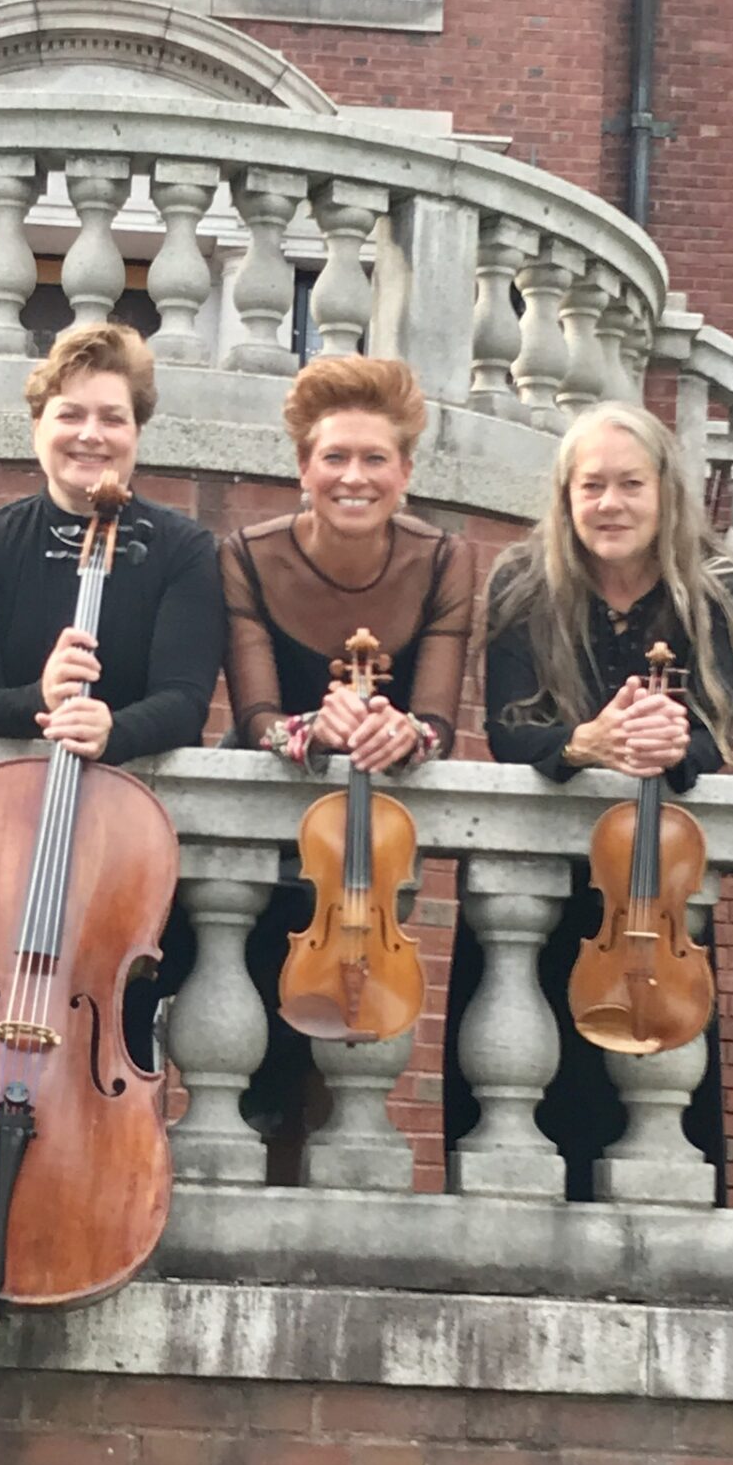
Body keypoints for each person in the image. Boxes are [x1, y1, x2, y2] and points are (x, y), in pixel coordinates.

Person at [444, 398, 733, 1200]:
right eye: (591, 487)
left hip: (655, 887)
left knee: (662, 1093)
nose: (609, 504)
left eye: (629, 484)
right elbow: (514, 732)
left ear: (664, 492)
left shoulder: (713, 588)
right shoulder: (524, 581)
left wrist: (673, 746)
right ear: (566, 496)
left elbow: (721, 729)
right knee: (525, 1087)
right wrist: (587, 743)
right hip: (538, 890)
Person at [0, 322, 224, 1061]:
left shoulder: (181, 549)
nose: (90, 434)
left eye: (112, 417)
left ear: (137, 432)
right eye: (70, 414)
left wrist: (112, 729)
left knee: (115, 1028)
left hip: (120, 857)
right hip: (10, 848)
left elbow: (185, 701)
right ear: (38, 426)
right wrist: (37, 695)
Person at [221, 355, 475, 1168]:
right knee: (245, 1045)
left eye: (375, 459)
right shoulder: (248, 555)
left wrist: (406, 736)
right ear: (303, 468)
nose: (354, 477)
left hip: (361, 863)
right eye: (334, 457)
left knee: (340, 1065)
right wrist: (310, 729)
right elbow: (256, 716)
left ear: (405, 471)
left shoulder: (445, 561)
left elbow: (437, 720)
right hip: (261, 845)